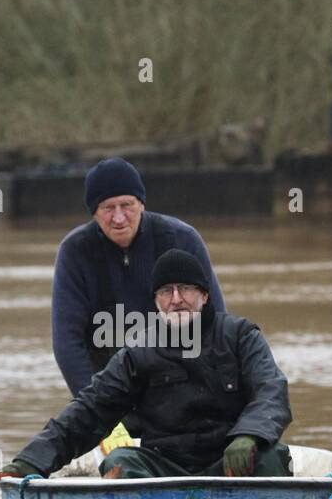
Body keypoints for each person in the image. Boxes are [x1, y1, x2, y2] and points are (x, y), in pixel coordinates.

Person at [0, 249, 292, 485]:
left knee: (271, 456)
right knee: (120, 461)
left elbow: (271, 390)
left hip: (229, 460)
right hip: (163, 466)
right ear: (156, 302)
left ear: (204, 295)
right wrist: (29, 461)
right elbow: (89, 410)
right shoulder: (138, 353)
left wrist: (249, 435)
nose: (176, 300)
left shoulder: (240, 336)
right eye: (166, 291)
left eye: (185, 288)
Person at [51, 156, 225, 398]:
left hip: (180, 384)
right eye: (108, 208)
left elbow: (215, 324)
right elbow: (67, 345)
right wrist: (98, 412)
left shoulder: (183, 239)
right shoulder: (74, 252)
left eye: (127, 205)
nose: (119, 218)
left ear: (142, 204)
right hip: (109, 390)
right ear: (94, 213)